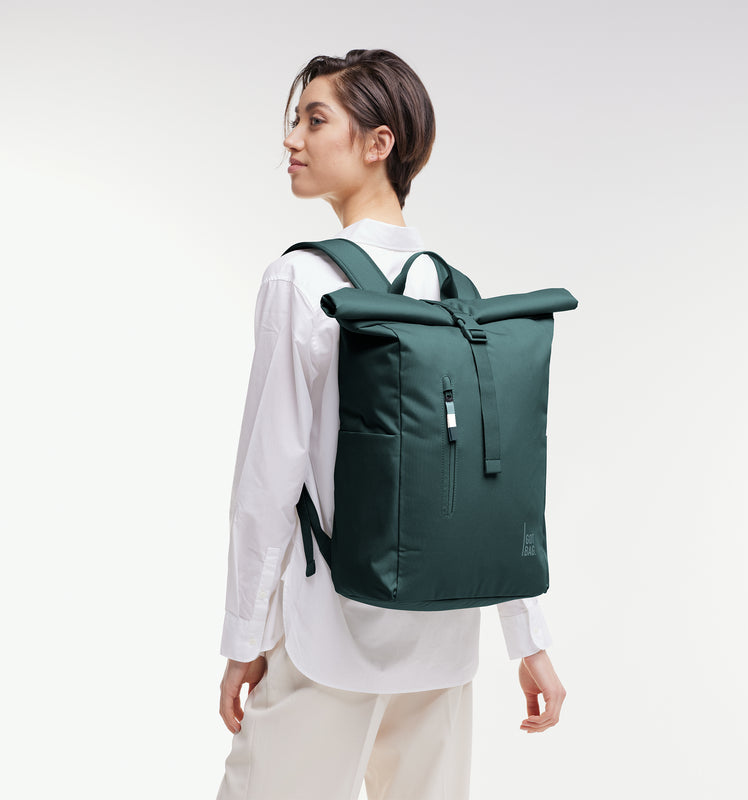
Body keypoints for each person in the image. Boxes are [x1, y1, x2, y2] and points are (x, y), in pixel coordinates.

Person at [215, 48, 566, 800]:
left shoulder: (300, 279)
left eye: (315, 120)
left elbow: (267, 480)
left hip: (330, 638)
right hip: (443, 644)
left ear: (380, 143)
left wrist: (244, 638)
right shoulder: (457, 292)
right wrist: (527, 639)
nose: (292, 140)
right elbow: (500, 487)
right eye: (295, 120)